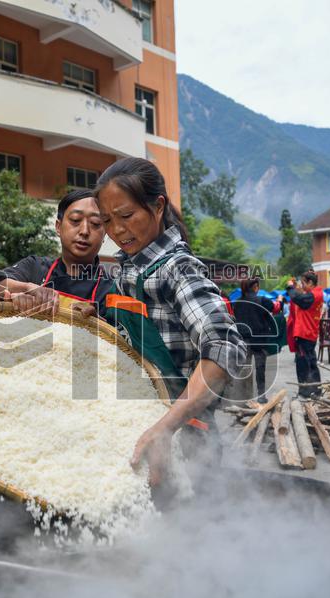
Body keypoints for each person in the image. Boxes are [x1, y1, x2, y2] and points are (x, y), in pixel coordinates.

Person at [93, 157, 247, 484]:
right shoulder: (129, 271)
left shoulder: (177, 269)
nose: (116, 230)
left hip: (188, 438)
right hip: (142, 424)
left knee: (191, 512)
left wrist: (165, 427)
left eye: (126, 216)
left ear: (158, 206)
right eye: (106, 220)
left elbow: (225, 347)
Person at [0, 188, 112, 314]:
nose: (84, 231)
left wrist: (96, 321)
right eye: (76, 220)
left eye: (95, 223)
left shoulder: (111, 288)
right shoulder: (35, 267)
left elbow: (117, 325)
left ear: (105, 233)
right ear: (58, 227)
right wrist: (25, 288)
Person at [232, 278, 283, 402]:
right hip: (259, 340)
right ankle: (261, 396)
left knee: (245, 369)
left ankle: (245, 398)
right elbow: (276, 309)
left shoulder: (237, 302)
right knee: (260, 369)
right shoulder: (262, 300)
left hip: (243, 340)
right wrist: (280, 300)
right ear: (255, 287)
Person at [286, 271, 323, 398]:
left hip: (305, 333)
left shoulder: (313, 295)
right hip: (309, 332)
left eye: (303, 283)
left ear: (310, 282)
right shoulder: (316, 293)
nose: (302, 286)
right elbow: (300, 297)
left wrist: (290, 287)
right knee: (311, 362)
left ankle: (305, 391)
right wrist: (297, 289)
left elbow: (298, 298)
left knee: (303, 364)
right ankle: (316, 390)